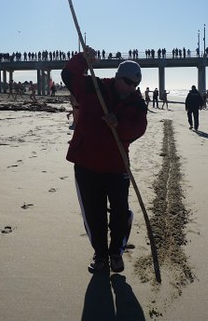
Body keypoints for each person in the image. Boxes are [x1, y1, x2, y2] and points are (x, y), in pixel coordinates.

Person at [61, 46, 147, 274]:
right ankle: (100, 256)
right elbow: (69, 77)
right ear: (118, 77)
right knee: (93, 213)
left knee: (121, 212)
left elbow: (139, 128)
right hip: (86, 162)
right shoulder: (95, 86)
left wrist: (118, 124)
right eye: (127, 82)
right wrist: (82, 59)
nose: (131, 88)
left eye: (135, 84)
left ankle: (116, 252)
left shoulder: (137, 102)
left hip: (117, 165)